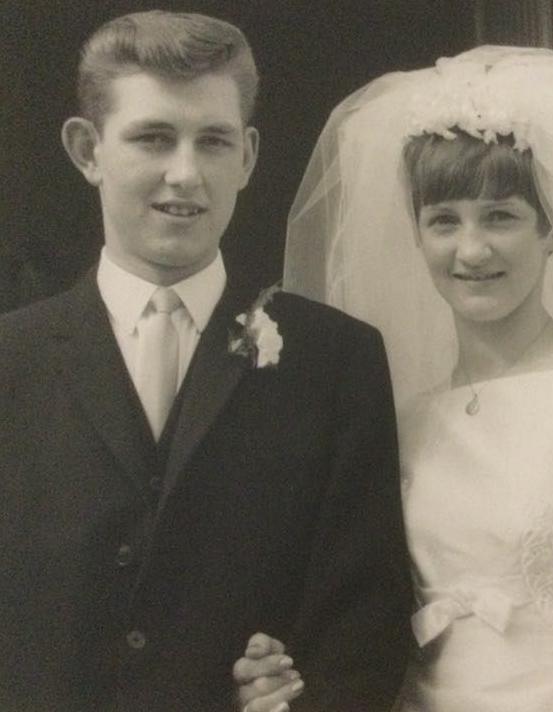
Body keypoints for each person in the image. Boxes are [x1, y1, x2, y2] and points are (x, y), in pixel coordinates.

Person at [239, 47, 553, 711]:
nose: (472, 250)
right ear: (419, 236)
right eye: (444, 221)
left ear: (550, 231)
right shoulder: (409, 420)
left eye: (501, 217)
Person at [0, 11, 413, 712]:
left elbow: (365, 624)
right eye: (153, 138)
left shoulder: (336, 362)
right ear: (87, 149)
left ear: (247, 156)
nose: (185, 174)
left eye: (213, 141)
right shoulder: (12, 360)